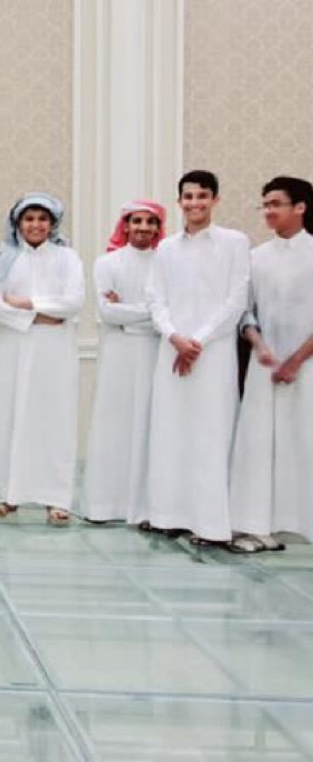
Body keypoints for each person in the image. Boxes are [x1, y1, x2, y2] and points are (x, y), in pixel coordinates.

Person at [147, 170, 250, 545]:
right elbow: (155, 298)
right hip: (171, 350)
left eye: (202, 196)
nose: (195, 203)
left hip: (214, 353)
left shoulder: (234, 243)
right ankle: (168, 515)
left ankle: (209, 523)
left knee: (210, 431)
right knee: (171, 430)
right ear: (179, 202)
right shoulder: (166, 248)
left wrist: (198, 341)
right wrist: (175, 337)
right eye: (188, 197)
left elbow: (236, 300)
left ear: (215, 200)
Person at [0, 192, 85, 525]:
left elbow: (73, 302)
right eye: (29, 219)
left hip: (54, 352)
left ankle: (56, 498)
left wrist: (26, 304)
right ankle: (6, 495)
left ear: (52, 224)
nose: (35, 225)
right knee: (7, 418)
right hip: (10, 348)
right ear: (18, 223)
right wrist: (42, 315)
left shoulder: (67, 258)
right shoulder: (3, 260)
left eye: (42, 219)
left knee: (53, 420)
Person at [229, 176, 313, 551]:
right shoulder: (257, 257)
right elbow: (246, 312)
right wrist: (260, 346)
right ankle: (256, 524)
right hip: (265, 365)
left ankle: (300, 522)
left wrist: (296, 360)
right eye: (264, 204)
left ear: (300, 207)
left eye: (275, 203)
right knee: (259, 442)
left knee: (303, 438)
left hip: (306, 365)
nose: (267, 211)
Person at [83, 199, 166, 525]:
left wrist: (130, 315)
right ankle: (104, 506)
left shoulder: (165, 262)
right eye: (137, 221)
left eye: (150, 222)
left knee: (150, 425)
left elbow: (168, 313)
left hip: (156, 352)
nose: (143, 227)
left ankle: (146, 508)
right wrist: (150, 312)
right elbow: (107, 313)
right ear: (126, 226)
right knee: (114, 424)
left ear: (158, 228)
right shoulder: (107, 263)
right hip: (117, 354)